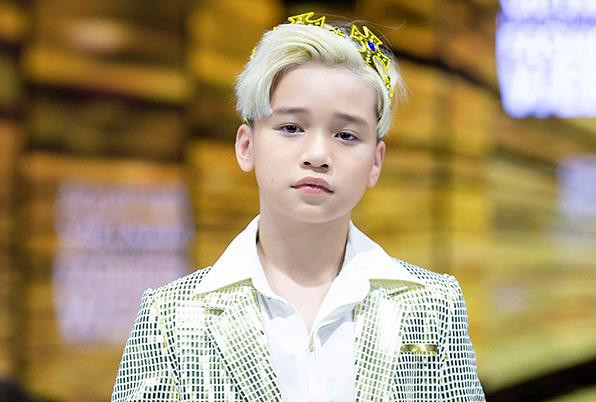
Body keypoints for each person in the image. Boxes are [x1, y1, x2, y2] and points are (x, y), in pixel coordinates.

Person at [111, 11, 485, 402]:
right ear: (247, 145)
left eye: (346, 135)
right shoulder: (171, 316)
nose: (318, 155)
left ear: (376, 161)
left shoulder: (432, 306)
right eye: (291, 128)